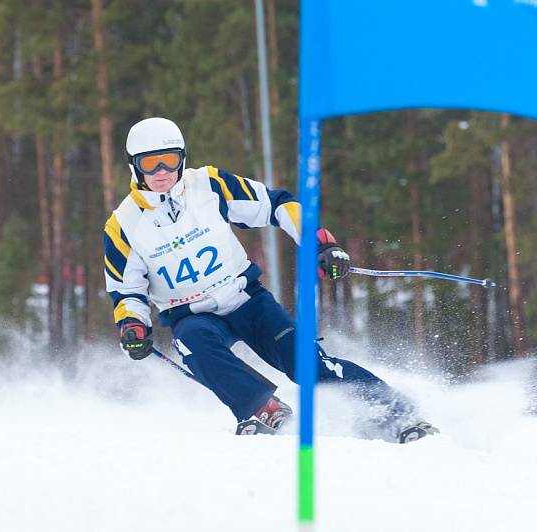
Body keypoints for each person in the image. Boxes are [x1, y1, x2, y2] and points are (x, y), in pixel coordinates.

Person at [103, 117, 437, 443]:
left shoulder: (209, 185)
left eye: (170, 160)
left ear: (182, 158)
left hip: (247, 300)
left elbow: (276, 204)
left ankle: (400, 416)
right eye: (150, 163)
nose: (162, 171)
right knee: (193, 342)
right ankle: (263, 410)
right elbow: (127, 292)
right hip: (191, 315)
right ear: (134, 167)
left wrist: (322, 244)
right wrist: (133, 326)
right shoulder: (122, 226)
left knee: (308, 365)